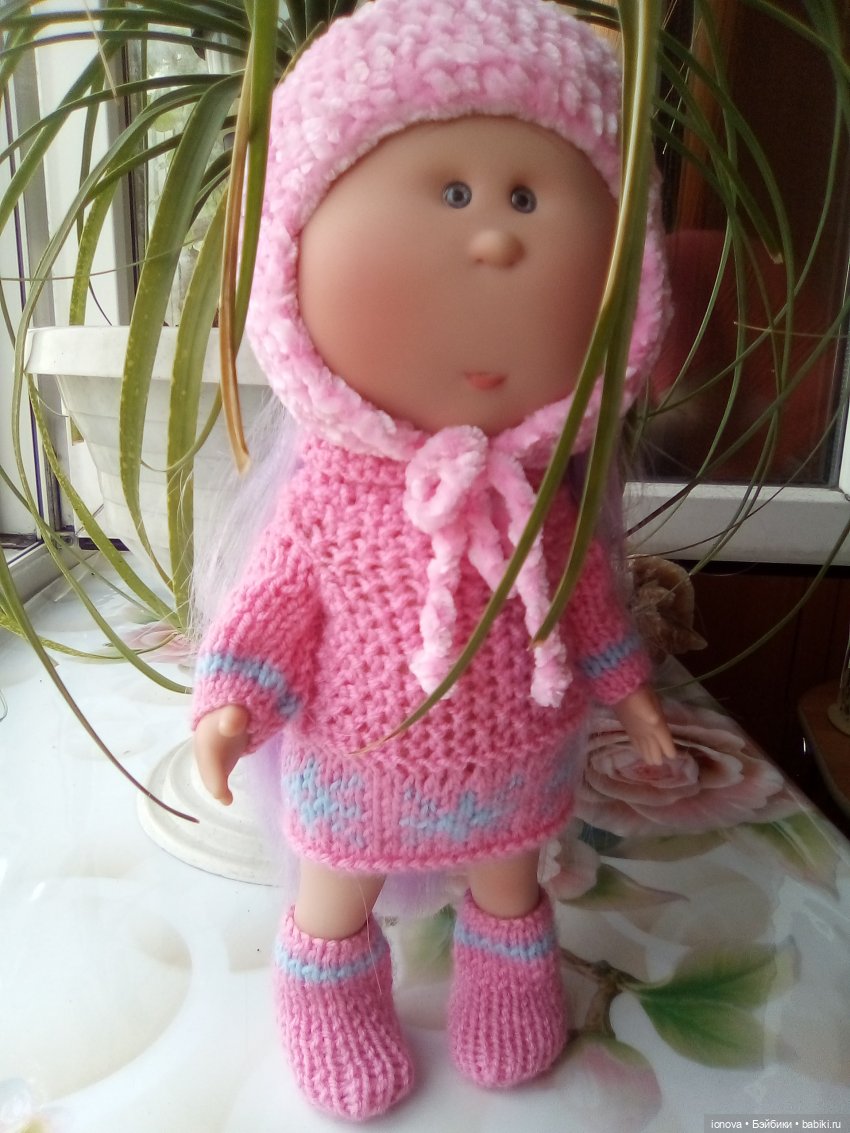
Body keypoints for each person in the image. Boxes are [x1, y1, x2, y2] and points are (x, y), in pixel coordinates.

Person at [192, 0, 676, 1119]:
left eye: (526, 197)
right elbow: (278, 602)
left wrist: (632, 692)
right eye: (453, 193)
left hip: (516, 756)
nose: (494, 241)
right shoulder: (332, 495)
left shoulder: (542, 494)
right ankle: (327, 997)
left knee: (510, 875)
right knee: (336, 886)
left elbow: (585, 600)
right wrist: (232, 702)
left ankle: (508, 978)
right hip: (360, 757)